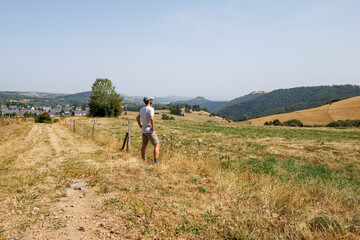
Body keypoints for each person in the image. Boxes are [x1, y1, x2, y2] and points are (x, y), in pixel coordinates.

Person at [136, 96, 160, 164]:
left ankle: (143, 160)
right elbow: (152, 118)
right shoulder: (151, 109)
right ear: (149, 101)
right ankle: (156, 161)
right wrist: (152, 127)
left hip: (143, 130)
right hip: (149, 130)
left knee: (144, 145)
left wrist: (140, 125)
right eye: (151, 99)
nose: (152, 100)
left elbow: (137, 118)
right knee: (156, 145)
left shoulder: (142, 109)